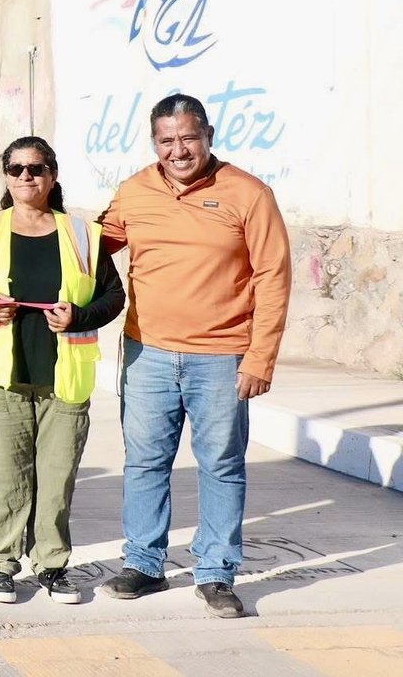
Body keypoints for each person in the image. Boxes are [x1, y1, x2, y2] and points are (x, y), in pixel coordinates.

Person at [96, 93, 291, 619]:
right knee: (144, 462)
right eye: (167, 140)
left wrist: (260, 358)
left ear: (208, 135)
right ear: (154, 142)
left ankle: (216, 572)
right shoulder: (134, 191)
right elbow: (88, 249)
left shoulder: (249, 194)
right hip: (147, 354)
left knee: (222, 466)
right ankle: (144, 563)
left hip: (222, 357)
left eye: (188, 137)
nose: (178, 150)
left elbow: (274, 278)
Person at [0, 137, 125, 605]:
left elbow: (113, 296)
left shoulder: (83, 235)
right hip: (0, 377)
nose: (27, 176)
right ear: (6, 176)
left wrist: (78, 317)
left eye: (37, 168)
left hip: (64, 377)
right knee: (5, 477)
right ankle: (0, 564)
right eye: (17, 168)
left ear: (52, 175)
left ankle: (52, 565)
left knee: (56, 479)